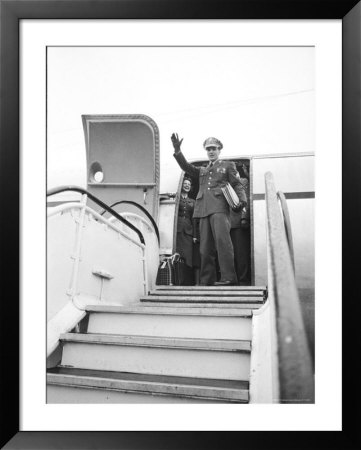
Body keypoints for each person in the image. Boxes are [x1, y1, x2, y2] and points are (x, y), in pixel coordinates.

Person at [171, 133, 247, 286]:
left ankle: (229, 278)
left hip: (219, 209)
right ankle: (207, 280)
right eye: (208, 149)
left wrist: (242, 202)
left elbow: (237, 184)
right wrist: (178, 151)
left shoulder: (227, 166)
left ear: (219, 150)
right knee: (205, 248)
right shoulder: (203, 170)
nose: (211, 151)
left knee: (223, 243)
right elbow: (186, 166)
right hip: (203, 210)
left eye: (213, 149)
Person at [230, 164, 251, 285]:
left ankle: (243, 279)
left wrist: (244, 218)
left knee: (241, 253)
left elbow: (246, 200)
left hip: (238, 222)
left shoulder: (243, 181)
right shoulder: (225, 183)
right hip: (226, 222)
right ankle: (233, 279)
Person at [176, 177, 196, 285]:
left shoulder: (192, 201)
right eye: (185, 183)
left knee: (188, 257)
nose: (187, 185)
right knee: (178, 256)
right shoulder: (177, 199)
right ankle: (178, 281)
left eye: (188, 184)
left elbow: (194, 219)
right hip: (178, 231)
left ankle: (187, 282)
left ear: (190, 187)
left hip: (188, 232)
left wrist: (194, 235)